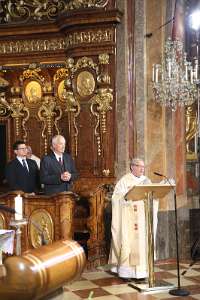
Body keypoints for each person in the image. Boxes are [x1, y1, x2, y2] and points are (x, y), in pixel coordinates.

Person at [109, 158, 158, 280]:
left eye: (143, 166)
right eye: (139, 166)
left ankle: (142, 273)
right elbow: (116, 198)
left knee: (142, 243)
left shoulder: (146, 180)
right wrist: (126, 198)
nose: (142, 169)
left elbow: (153, 195)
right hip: (129, 219)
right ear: (132, 167)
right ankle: (127, 272)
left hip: (142, 219)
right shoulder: (125, 181)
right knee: (128, 243)